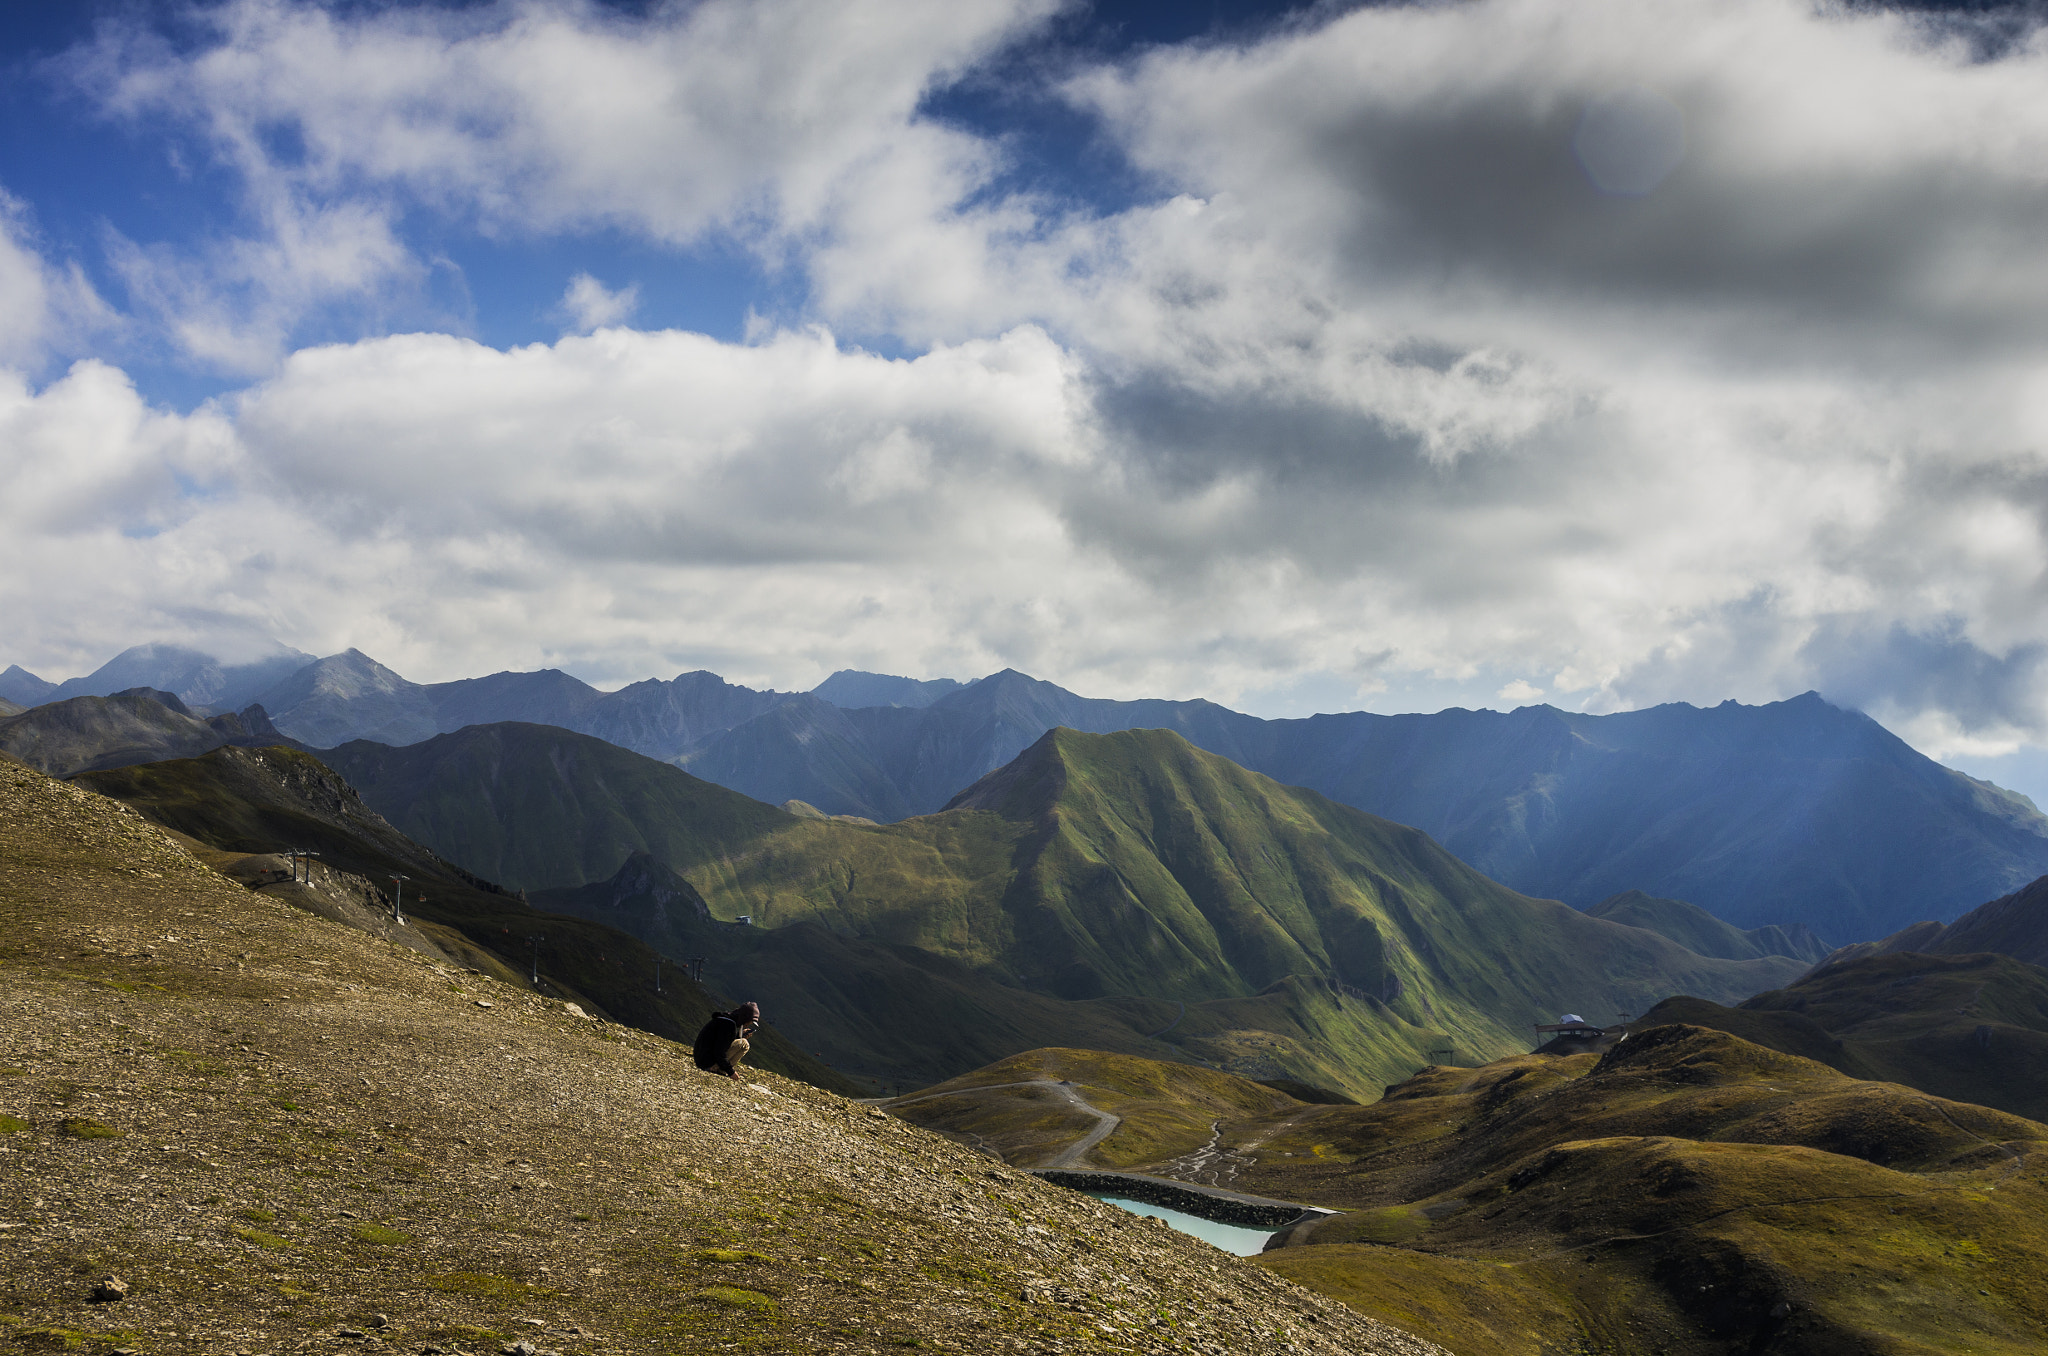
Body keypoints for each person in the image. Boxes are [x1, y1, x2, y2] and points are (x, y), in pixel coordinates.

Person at [692, 1002, 760, 1079]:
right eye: (749, 1022)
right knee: (744, 1044)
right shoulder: (728, 1026)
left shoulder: (725, 1020)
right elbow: (719, 1051)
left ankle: (718, 1068)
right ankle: (716, 1068)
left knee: (741, 1041)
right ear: (745, 1018)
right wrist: (731, 1072)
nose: (748, 1024)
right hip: (706, 1062)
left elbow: (723, 1043)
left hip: (701, 1058)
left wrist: (738, 1036)